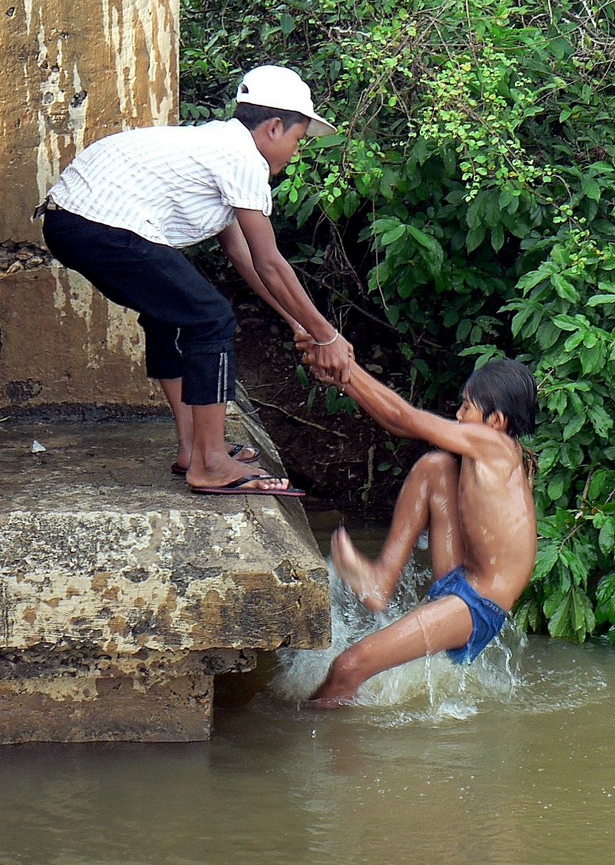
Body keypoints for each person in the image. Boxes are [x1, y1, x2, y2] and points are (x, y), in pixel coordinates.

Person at [38, 65, 353, 496]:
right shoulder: (242, 157)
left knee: (174, 313)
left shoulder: (217, 145)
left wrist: (298, 324)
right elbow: (271, 262)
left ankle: (194, 449)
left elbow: (241, 252)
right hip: (99, 222)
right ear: (275, 127)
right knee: (211, 318)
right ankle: (210, 464)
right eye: (297, 141)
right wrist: (326, 335)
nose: (294, 154)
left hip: (71, 221)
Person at [297, 350, 538, 707]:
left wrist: (348, 368)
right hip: (462, 576)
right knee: (436, 466)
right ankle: (382, 579)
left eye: (466, 408)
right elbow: (400, 424)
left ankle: (312, 742)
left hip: (476, 606)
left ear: (497, 420)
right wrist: (344, 381)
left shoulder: (494, 446)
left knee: (348, 667)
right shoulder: (496, 446)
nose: (458, 416)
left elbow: (404, 417)